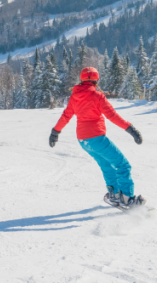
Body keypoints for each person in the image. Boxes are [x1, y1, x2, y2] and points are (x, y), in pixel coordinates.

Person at [49, 67, 145, 209]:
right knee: (123, 165)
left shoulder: (74, 96)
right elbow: (112, 116)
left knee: (107, 165)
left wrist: (55, 132)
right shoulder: (97, 96)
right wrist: (131, 129)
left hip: (83, 140)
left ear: (82, 80)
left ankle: (114, 194)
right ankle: (127, 198)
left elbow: (66, 116)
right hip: (96, 138)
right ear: (96, 80)